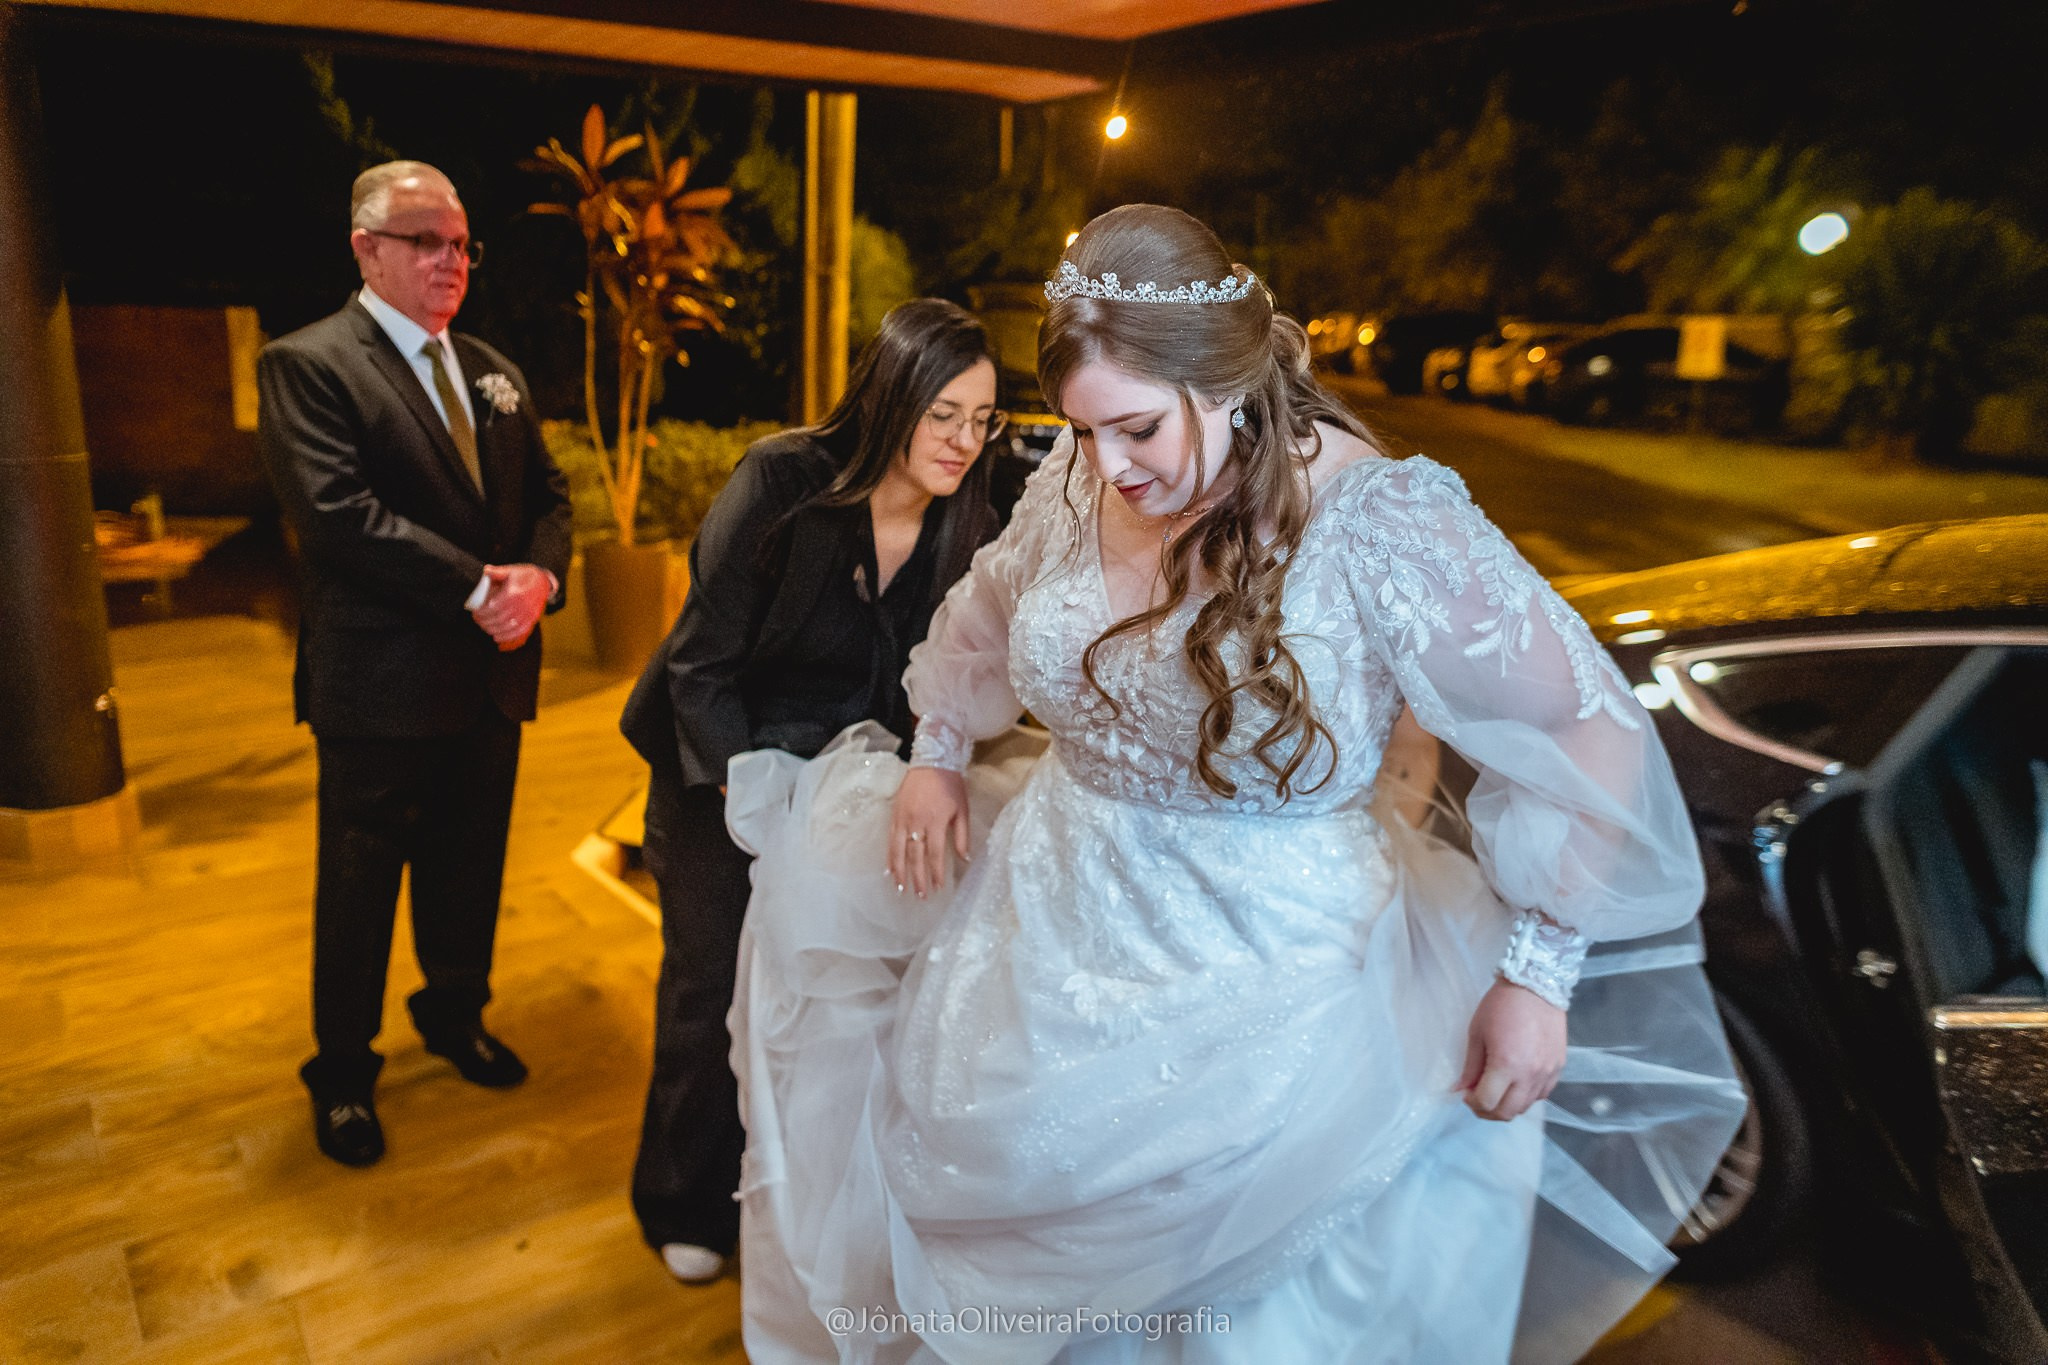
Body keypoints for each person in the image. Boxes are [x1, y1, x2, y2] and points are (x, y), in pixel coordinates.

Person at [724, 205, 1747, 1363]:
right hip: (1038, 933)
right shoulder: (1079, 472)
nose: (1106, 465)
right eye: (1081, 429)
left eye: (1137, 429)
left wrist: (1540, 974)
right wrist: (938, 754)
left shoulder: (1380, 520)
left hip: (1276, 987)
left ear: (1226, 383)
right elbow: (986, 613)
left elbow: (1583, 723)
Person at [618, 299, 1004, 1284]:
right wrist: (749, 810)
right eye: (944, 414)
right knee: (709, 990)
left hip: (847, 782)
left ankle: (802, 1211)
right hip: (718, 766)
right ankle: (681, 1197)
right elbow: (700, 664)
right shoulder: (780, 480)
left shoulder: (967, 511)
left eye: (982, 418)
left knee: (826, 1000)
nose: (963, 440)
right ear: (890, 397)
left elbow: (948, 666)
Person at [258, 160, 571, 1169]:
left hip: (490, 678)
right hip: (380, 688)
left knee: (468, 865)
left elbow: (551, 496)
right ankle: (343, 1071)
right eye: (424, 240)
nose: (449, 259)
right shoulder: (308, 364)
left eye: (460, 242)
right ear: (366, 249)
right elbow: (338, 516)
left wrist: (544, 581)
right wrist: (485, 588)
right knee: (358, 886)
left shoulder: (489, 364)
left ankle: (454, 1012)